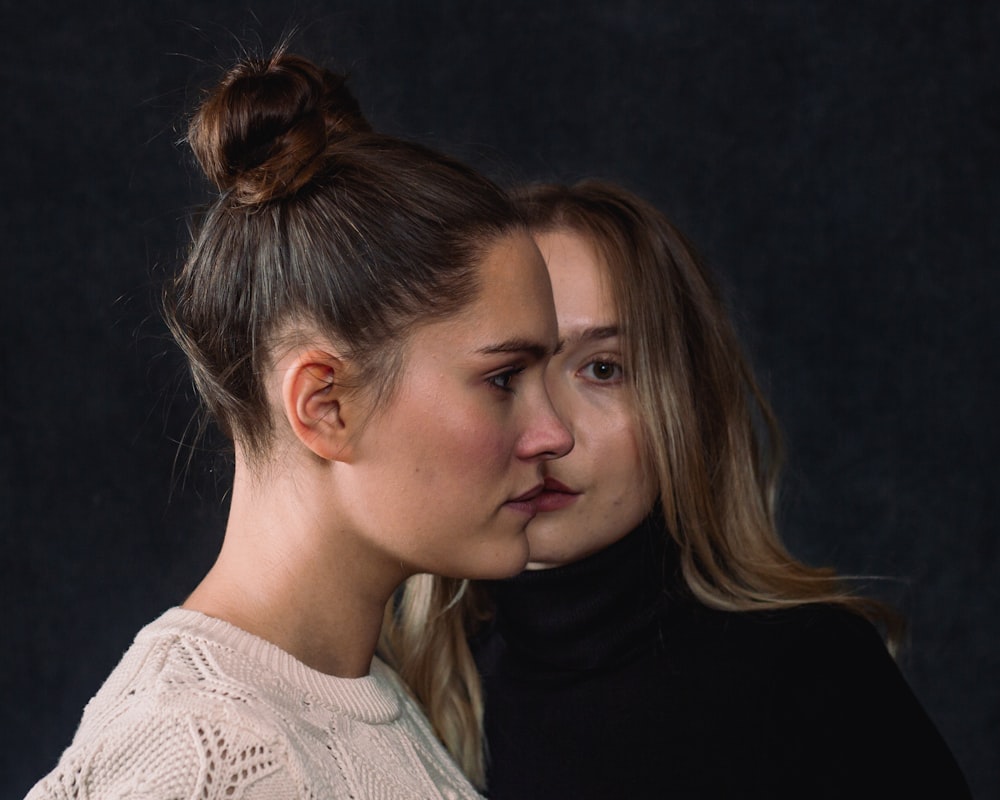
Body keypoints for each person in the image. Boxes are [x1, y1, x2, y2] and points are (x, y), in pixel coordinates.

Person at [24, 51, 574, 800]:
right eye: (504, 378)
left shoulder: (352, 694)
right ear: (326, 406)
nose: (555, 434)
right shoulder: (207, 758)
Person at [380, 179, 972, 798]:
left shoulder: (811, 672)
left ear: (684, 404)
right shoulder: (408, 699)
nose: (547, 430)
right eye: (506, 375)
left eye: (603, 369)